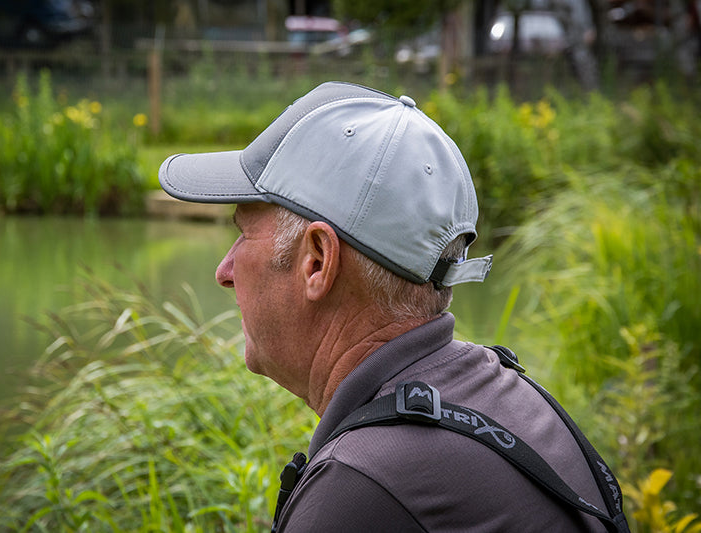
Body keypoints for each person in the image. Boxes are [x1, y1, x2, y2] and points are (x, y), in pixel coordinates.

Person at [158, 82, 629, 532]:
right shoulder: (510, 396)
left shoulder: (362, 490)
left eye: (243, 233)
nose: (224, 270)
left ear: (317, 261)